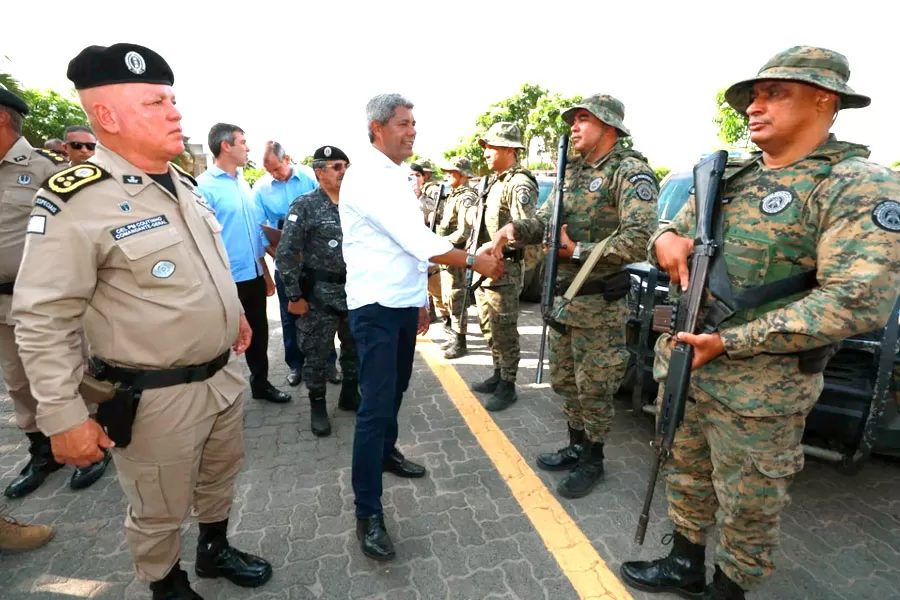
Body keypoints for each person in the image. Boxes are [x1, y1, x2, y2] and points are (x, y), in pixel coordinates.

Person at [620, 46, 900, 599]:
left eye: (775, 93)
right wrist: (664, 239)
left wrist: (728, 341)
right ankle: (684, 561)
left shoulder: (856, 184)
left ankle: (730, 588)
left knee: (750, 499)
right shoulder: (729, 175)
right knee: (685, 468)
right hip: (688, 363)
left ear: (824, 100)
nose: (754, 106)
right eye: (753, 95)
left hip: (762, 388)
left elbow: (856, 302)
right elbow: (666, 231)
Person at [11, 43, 272, 599]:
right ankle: (165, 583)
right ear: (106, 116)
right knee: (157, 506)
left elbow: (206, 265)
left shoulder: (184, 184)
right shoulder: (77, 199)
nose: (175, 111)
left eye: (173, 99)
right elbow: (42, 317)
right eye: (156, 102)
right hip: (156, 398)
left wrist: (233, 320)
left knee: (219, 477)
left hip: (223, 375)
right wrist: (62, 417)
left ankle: (214, 548)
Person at [340, 93, 503, 562]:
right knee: (374, 408)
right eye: (403, 124)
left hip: (399, 303)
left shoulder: (397, 176)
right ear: (377, 128)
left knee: (395, 393)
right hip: (374, 309)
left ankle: (387, 454)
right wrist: (476, 261)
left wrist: (419, 303)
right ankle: (368, 512)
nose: (412, 131)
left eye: (414, 123)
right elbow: (416, 241)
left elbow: (408, 250)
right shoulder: (369, 177)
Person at [491, 94, 659, 498]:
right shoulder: (572, 171)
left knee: (595, 386)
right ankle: (576, 444)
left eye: (584, 119)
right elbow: (546, 220)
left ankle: (594, 460)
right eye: (574, 120)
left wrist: (576, 251)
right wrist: (514, 229)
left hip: (599, 303)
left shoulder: (630, 172)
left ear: (609, 126)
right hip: (564, 298)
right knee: (566, 381)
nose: (574, 126)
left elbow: (640, 240)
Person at [0, 89, 112, 498]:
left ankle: (93, 443)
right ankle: (41, 451)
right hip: (1, 304)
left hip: (51, 299)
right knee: (17, 381)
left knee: (75, 372)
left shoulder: (45, 170)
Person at [197, 123, 290, 404]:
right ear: (226, 146)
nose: (248, 148)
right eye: (243, 142)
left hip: (251, 274)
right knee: (224, 340)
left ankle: (260, 384)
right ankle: (218, 398)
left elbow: (252, 231)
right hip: (224, 280)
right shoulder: (203, 187)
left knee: (259, 335)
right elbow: (201, 239)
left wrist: (264, 272)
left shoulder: (242, 182)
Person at [275, 145, 359, 437]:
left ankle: (350, 394)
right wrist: (295, 296)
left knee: (354, 349)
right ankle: (318, 406)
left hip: (355, 291)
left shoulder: (355, 203)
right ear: (319, 172)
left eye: (345, 165)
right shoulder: (305, 205)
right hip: (319, 296)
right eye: (336, 167)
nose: (343, 172)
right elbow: (285, 254)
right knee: (316, 354)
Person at [253, 141, 339, 387]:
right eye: (270, 171)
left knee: (326, 314)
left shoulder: (311, 178)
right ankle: (295, 365)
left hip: (318, 265)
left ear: (287, 159)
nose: (274, 175)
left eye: (277, 169)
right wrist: (281, 256)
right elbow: (261, 231)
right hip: (286, 264)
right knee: (290, 316)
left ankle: (329, 363)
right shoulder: (260, 189)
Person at [469, 122, 538, 411]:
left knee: (504, 327)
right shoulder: (495, 181)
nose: (485, 152)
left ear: (509, 149)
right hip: (487, 267)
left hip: (505, 268)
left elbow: (528, 230)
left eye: (491, 146)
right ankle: (498, 374)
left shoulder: (518, 183)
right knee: (489, 325)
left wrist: (499, 246)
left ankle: (508, 384)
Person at [435, 156, 479, 358]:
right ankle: (453, 337)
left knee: (457, 298)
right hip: (446, 253)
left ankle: (460, 342)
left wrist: (441, 244)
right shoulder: (453, 194)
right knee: (448, 297)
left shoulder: (465, 197)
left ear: (462, 175)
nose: (447, 176)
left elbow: (464, 231)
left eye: (451, 173)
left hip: (456, 253)